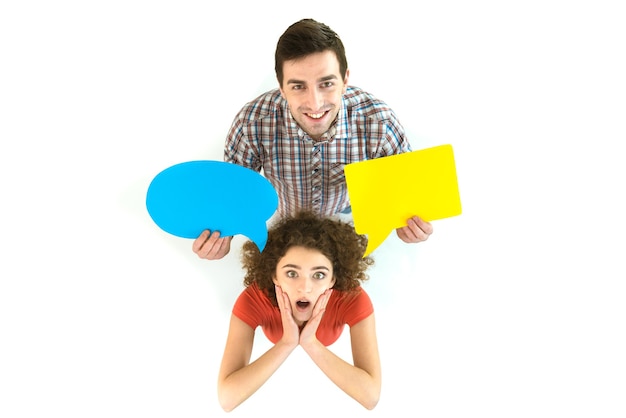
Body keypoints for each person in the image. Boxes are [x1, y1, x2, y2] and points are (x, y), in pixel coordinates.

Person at [193, 18, 433, 260]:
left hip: (346, 218)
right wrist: (224, 237)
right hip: (286, 221)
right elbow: (235, 193)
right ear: (281, 86)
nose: (315, 103)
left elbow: (408, 193)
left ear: (345, 79)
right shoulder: (251, 123)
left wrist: (412, 224)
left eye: (326, 83)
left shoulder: (379, 121)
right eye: (298, 86)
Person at [217, 211, 381, 411]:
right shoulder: (253, 300)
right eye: (292, 273)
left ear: (333, 280)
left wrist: (310, 343)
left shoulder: (352, 298)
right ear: (274, 276)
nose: (304, 287)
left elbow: (371, 396)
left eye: (319, 274)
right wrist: (287, 343)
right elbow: (227, 398)